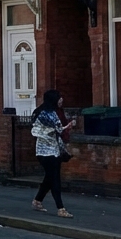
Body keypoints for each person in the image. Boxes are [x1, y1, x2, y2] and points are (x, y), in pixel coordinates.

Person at [31, 90, 76, 218]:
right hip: (50, 151)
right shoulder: (49, 114)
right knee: (55, 179)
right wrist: (70, 125)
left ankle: (37, 201)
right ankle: (60, 208)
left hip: (42, 150)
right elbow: (59, 130)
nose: (61, 100)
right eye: (58, 98)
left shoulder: (38, 112)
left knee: (50, 178)